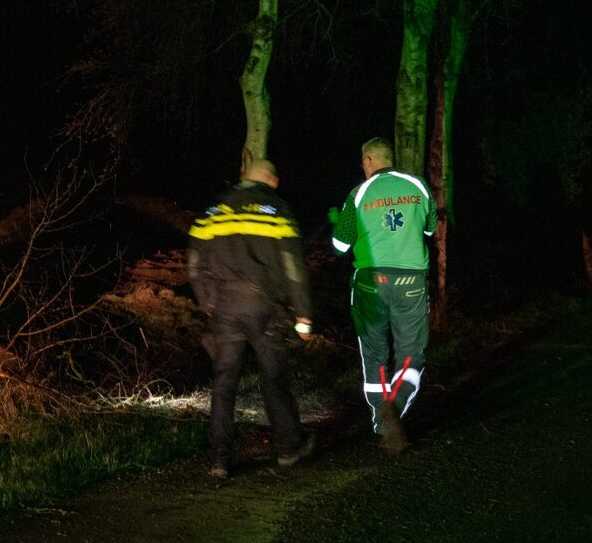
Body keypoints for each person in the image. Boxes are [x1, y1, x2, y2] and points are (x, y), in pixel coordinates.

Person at [187, 158, 316, 479]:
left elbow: (194, 264)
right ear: (270, 180)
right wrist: (303, 315)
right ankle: (288, 448)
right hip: (266, 307)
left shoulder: (213, 211)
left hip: (225, 307)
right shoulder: (277, 210)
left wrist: (209, 303)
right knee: (273, 377)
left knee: (224, 380)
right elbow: (293, 268)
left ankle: (219, 458)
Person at [330, 137, 438, 453]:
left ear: (368, 161)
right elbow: (430, 229)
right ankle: (397, 405)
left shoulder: (359, 194)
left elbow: (339, 245)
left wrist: (338, 222)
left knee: (374, 355)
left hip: (369, 283)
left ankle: (381, 423)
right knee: (411, 354)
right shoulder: (417, 185)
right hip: (411, 280)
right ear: (391, 159)